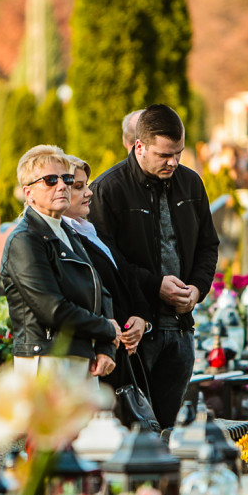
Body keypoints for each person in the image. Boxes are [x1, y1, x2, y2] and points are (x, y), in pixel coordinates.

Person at [89, 105, 220, 431]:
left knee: (171, 432)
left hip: (180, 328)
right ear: (139, 146)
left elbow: (208, 245)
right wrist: (154, 285)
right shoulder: (109, 189)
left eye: (178, 153)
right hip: (134, 330)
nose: (173, 162)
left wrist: (198, 289)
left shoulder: (190, 184)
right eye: (164, 155)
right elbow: (109, 262)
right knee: (133, 433)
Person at [1, 145, 121, 384]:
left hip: (81, 358)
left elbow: (100, 290)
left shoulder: (67, 230)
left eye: (66, 179)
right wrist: (107, 329)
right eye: (49, 180)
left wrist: (106, 347)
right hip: (46, 361)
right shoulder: (25, 239)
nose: (62, 186)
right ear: (28, 193)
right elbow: (52, 309)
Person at [62, 155, 152, 391]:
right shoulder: (64, 239)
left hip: (123, 347)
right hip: (99, 354)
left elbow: (125, 274)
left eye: (87, 185)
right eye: (79, 187)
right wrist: (116, 333)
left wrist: (141, 318)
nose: (89, 193)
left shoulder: (90, 229)